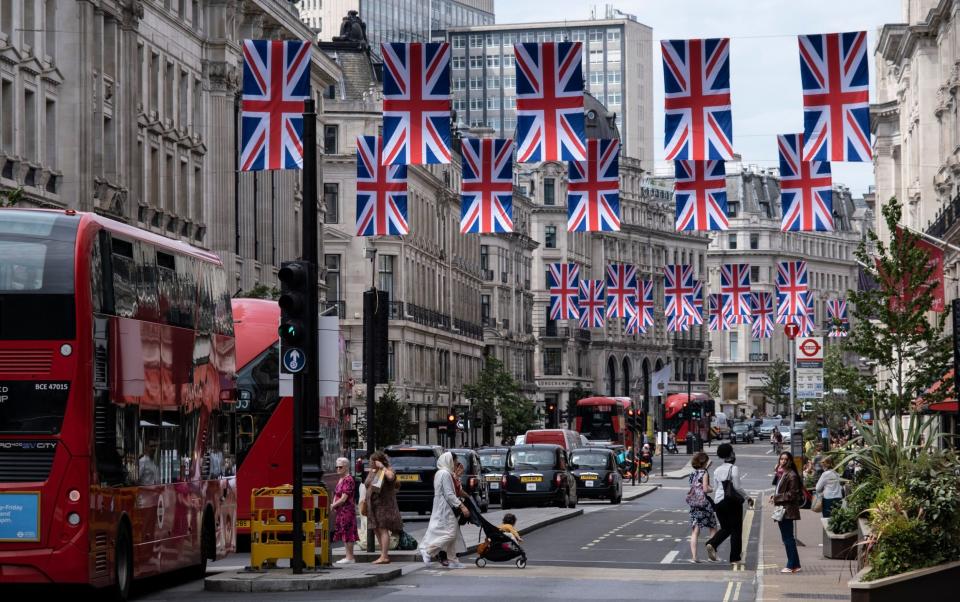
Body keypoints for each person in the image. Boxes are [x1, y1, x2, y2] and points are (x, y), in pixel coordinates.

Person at [419, 452, 470, 568]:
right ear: (449, 461)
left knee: (454, 532)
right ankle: (429, 550)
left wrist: (457, 476)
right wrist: (462, 506)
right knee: (450, 534)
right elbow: (449, 494)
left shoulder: (442, 473)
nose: (456, 463)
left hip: (442, 506)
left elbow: (453, 490)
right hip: (445, 507)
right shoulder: (445, 474)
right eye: (455, 461)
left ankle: (452, 560)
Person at [705, 444, 753, 565]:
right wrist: (747, 497)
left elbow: (716, 488)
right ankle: (735, 558)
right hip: (731, 502)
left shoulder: (716, 470)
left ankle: (712, 543)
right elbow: (737, 487)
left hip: (718, 502)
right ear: (731, 454)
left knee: (726, 528)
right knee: (736, 530)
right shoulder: (733, 468)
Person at [363, 451, 403, 564]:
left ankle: (385, 556)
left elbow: (390, 477)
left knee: (383, 528)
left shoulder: (387, 470)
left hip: (383, 505)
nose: (370, 463)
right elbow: (367, 485)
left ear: (378, 461)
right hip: (373, 505)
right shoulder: (372, 471)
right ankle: (382, 554)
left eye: (372, 461)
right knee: (376, 528)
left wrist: (383, 467)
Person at [770, 451, 804, 573]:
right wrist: (777, 473)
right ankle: (796, 564)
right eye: (781, 459)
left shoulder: (792, 475)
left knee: (788, 538)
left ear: (790, 461)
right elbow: (777, 487)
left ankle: (791, 565)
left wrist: (777, 497)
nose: (782, 461)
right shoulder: (783, 474)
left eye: (785, 459)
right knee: (787, 538)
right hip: (782, 509)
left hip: (787, 510)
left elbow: (792, 495)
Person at [686, 452, 718, 563]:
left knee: (695, 531)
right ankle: (712, 555)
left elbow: (695, 486)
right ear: (704, 462)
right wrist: (712, 489)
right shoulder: (704, 473)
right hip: (704, 504)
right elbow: (705, 489)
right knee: (713, 527)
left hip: (694, 504)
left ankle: (694, 557)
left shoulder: (692, 473)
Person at [331, 457, 359, 564]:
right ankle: (347, 556)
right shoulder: (341, 479)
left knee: (348, 533)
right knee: (344, 532)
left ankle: (350, 557)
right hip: (341, 511)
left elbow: (343, 498)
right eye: (336, 467)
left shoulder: (348, 479)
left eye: (340, 467)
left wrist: (333, 505)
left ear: (346, 467)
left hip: (347, 510)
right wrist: (334, 505)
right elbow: (337, 494)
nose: (338, 469)